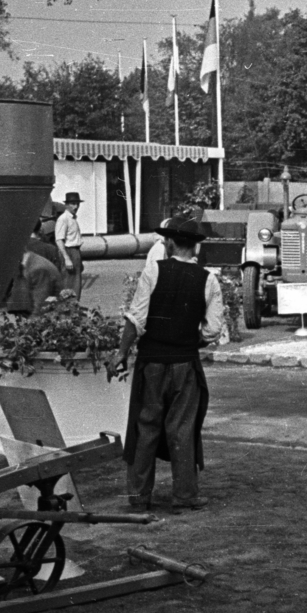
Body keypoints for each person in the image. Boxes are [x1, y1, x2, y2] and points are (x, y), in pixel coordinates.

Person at [113, 215, 225, 513]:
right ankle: (185, 495)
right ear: (195, 247)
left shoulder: (153, 271)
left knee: (145, 427)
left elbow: (135, 318)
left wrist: (121, 353)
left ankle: (139, 496)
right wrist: (187, 342)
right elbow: (213, 330)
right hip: (185, 365)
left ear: (171, 243)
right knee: (182, 429)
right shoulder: (208, 279)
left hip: (151, 363)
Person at [55, 192, 86, 299]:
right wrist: (67, 258)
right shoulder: (63, 219)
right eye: (73, 204)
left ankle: (74, 305)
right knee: (69, 283)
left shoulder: (72, 218)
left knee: (76, 284)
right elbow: (59, 240)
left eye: (77, 203)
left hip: (76, 252)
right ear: (66, 205)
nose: (76, 206)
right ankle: (68, 306)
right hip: (69, 252)